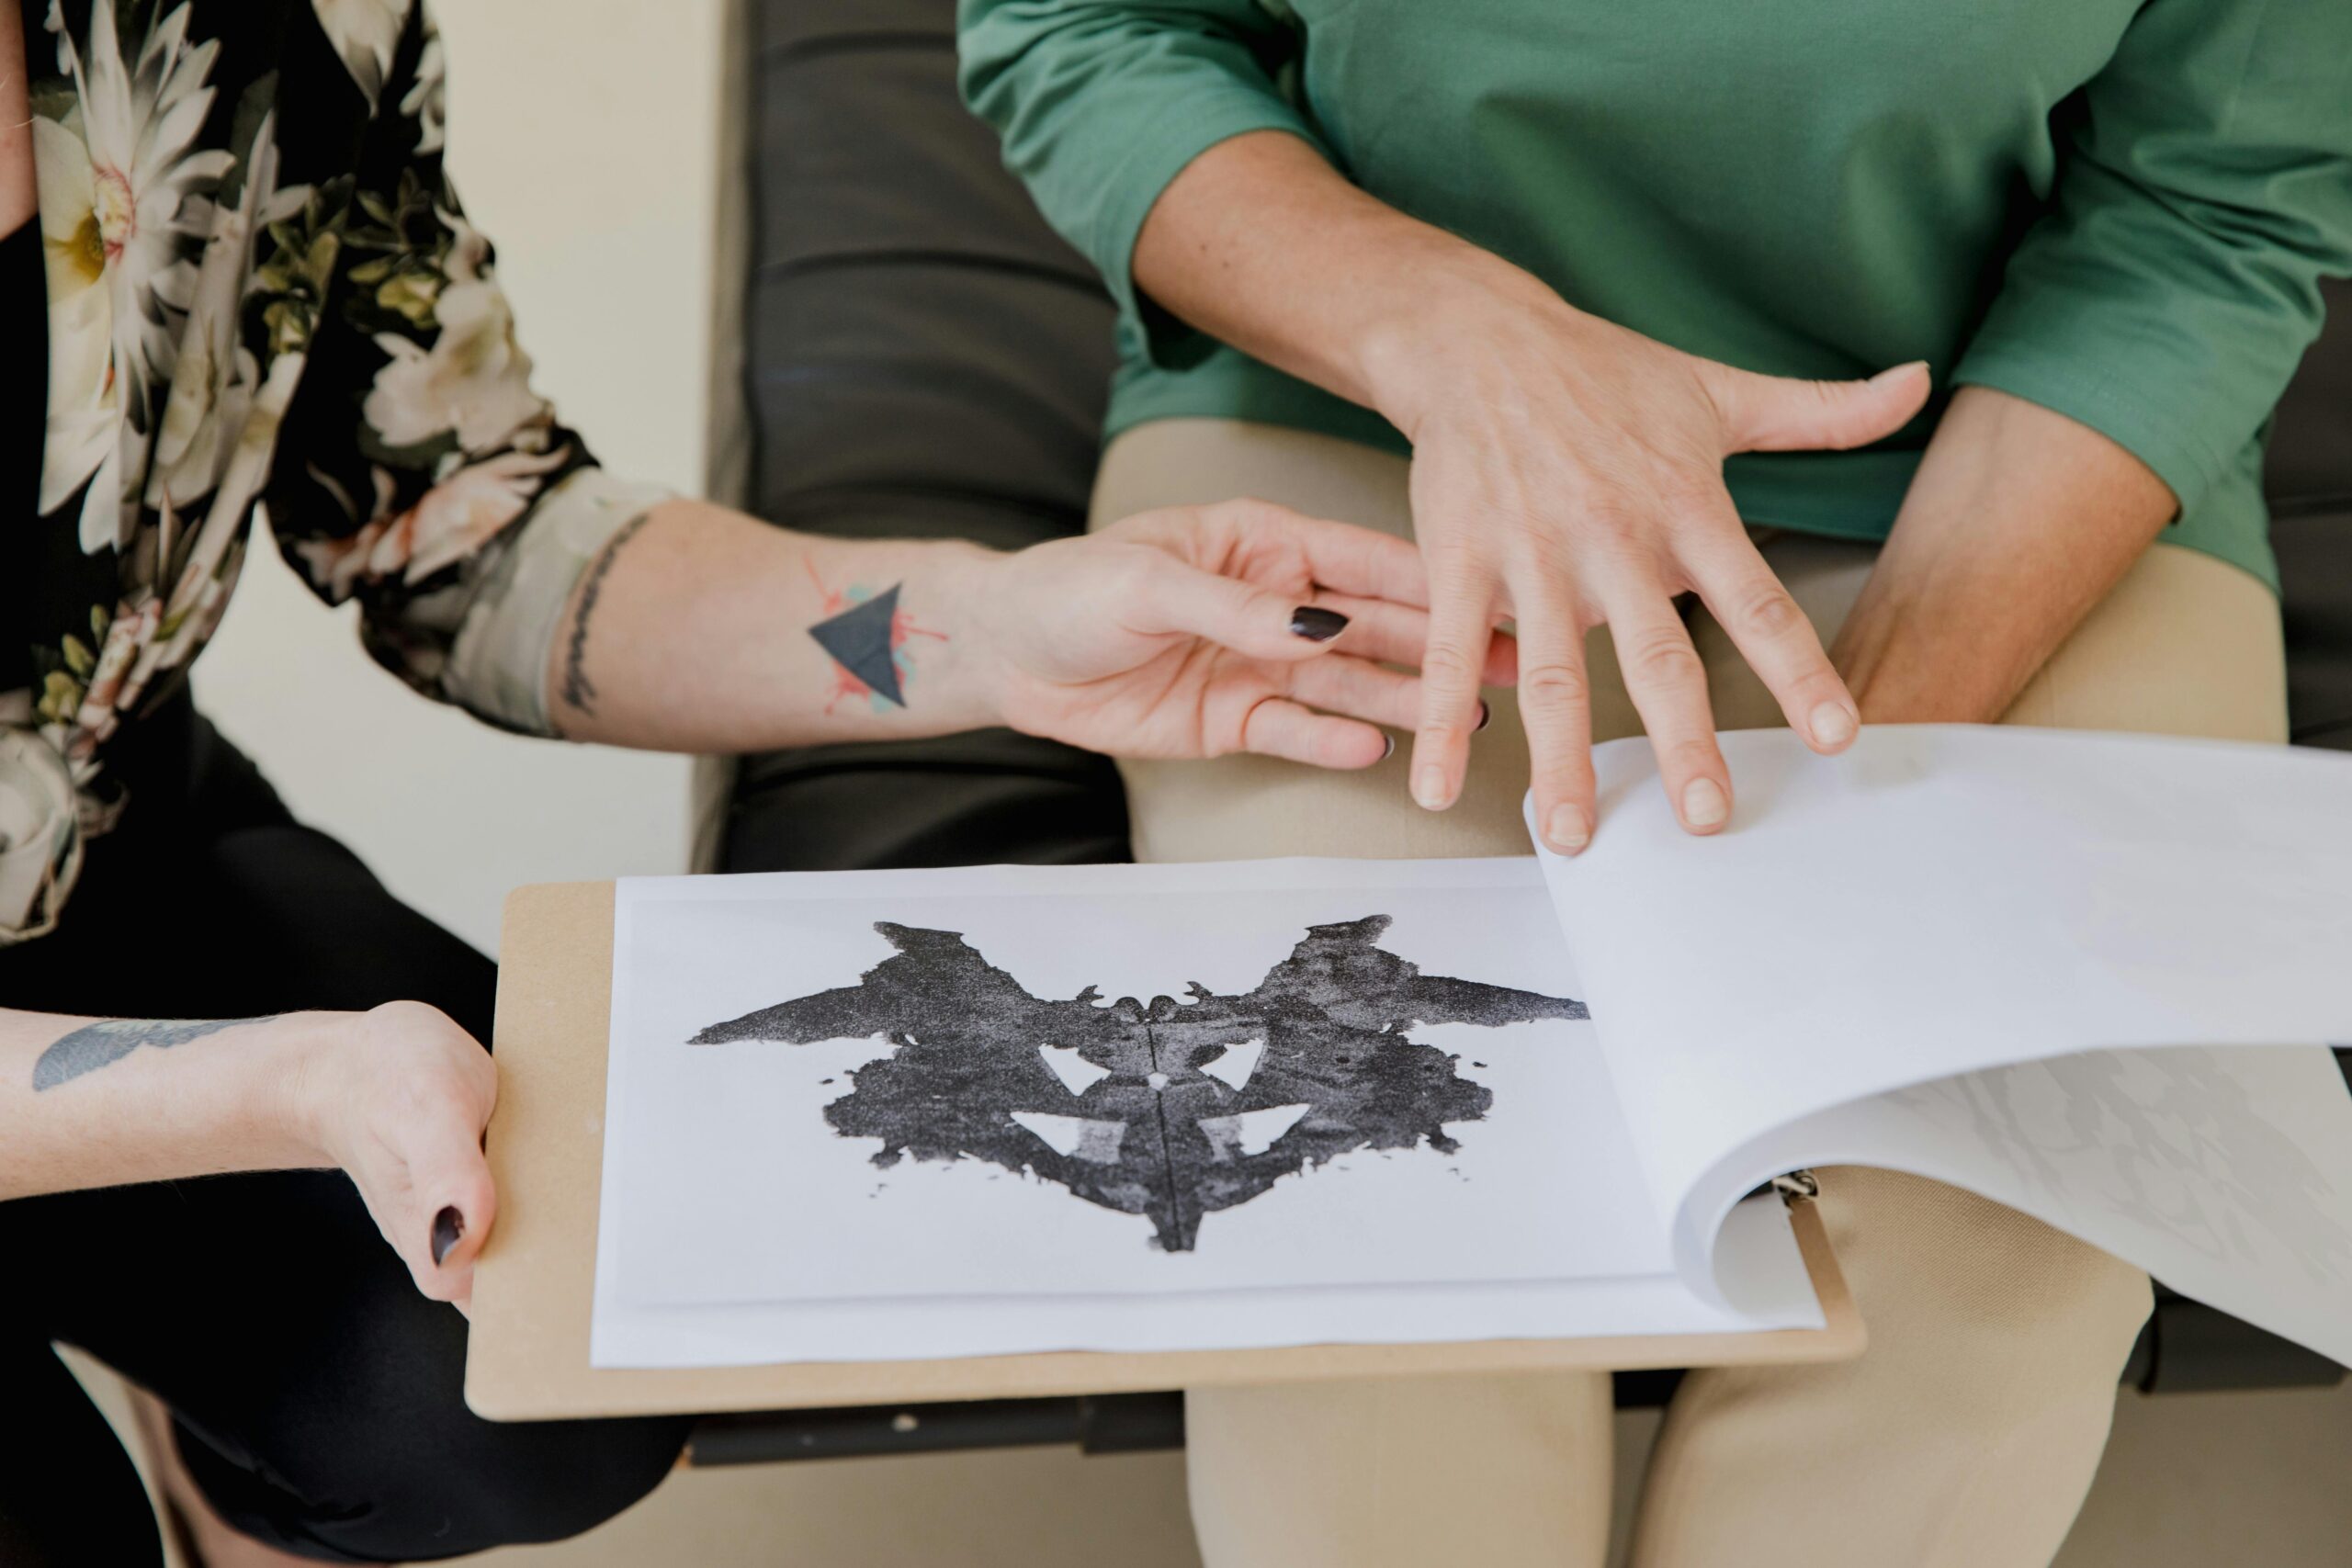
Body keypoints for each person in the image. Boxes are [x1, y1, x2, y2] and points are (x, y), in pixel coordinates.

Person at [0, 4, 1469, 1562]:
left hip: (100, 833)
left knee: (514, 1386)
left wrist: (989, 633)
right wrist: (272, 1090)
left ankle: (205, 1436)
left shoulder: (282, 25)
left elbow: (467, 529)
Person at [957, 2, 2352, 1564]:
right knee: (1362, 1177)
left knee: (2000, 1246)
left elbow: (2213, 194)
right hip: (1365, 403)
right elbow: (1087, 29)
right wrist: (1456, 337)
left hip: (2006, 446)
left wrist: (1877, 730)